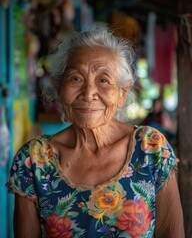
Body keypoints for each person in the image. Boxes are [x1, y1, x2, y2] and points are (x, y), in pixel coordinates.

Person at [7, 24, 184, 238]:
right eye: (76, 78)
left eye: (103, 80)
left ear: (122, 93)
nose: (89, 93)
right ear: (58, 87)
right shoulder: (34, 160)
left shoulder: (151, 149)